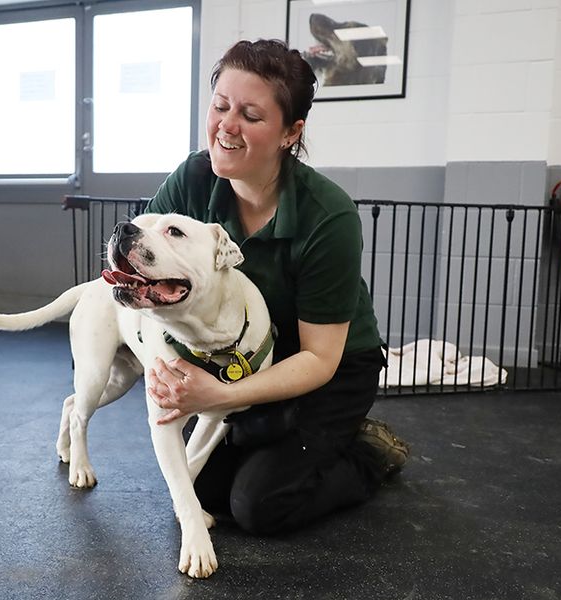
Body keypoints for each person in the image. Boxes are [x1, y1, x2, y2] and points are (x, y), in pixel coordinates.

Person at [144, 39, 409, 535]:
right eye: (220, 105)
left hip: (326, 367)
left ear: (292, 132)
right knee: (201, 490)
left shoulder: (328, 215)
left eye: (250, 114)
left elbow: (319, 359)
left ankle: (367, 454)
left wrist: (219, 395)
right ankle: (272, 431)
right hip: (243, 356)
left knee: (259, 505)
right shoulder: (192, 180)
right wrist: (163, 368)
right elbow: (145, 272)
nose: (226, 125)